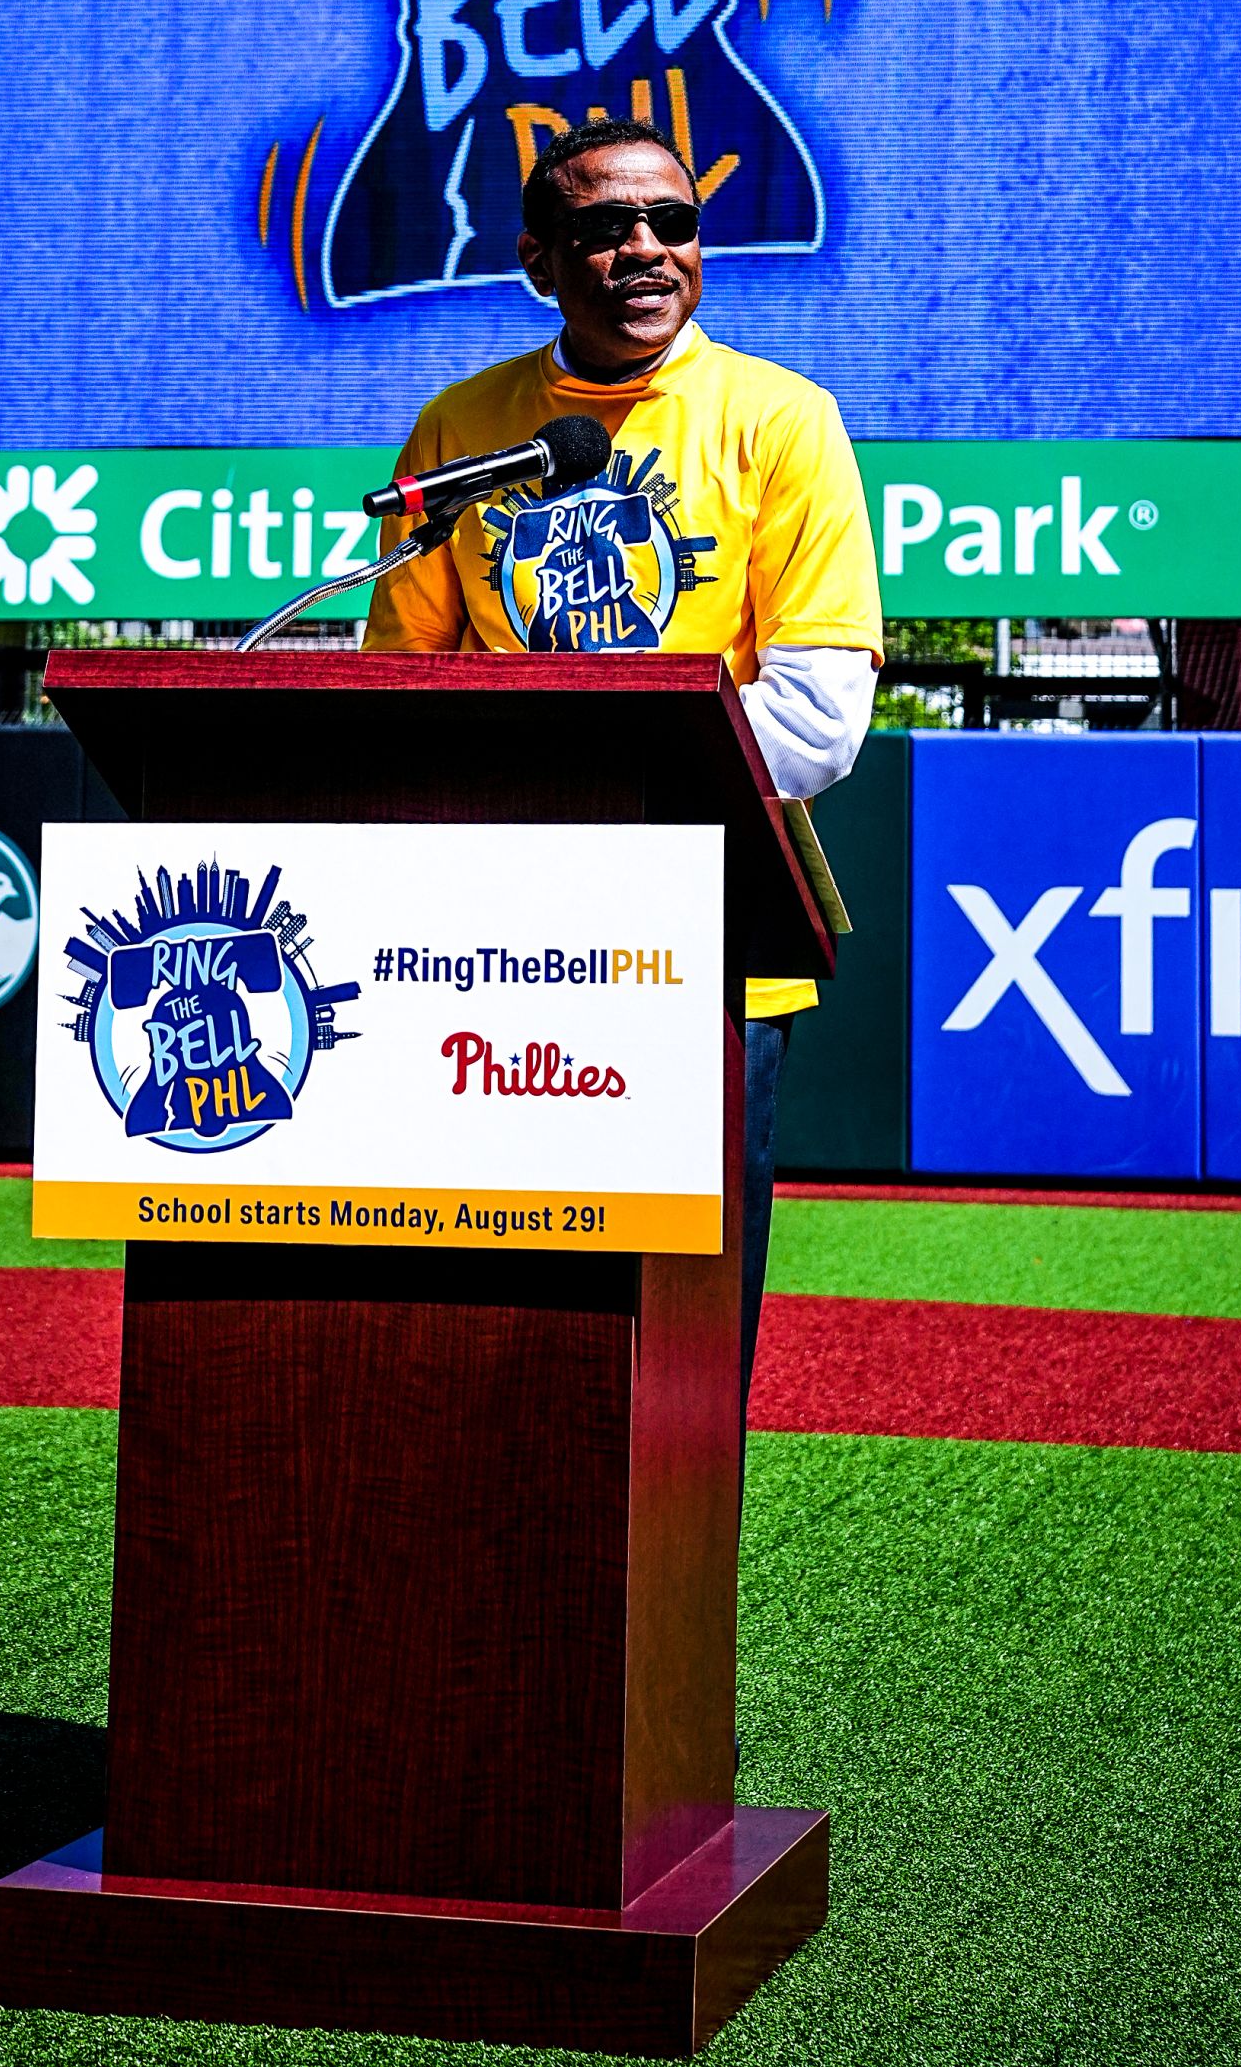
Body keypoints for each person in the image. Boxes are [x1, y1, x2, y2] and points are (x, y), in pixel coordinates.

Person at [364, 117, 883, 1431]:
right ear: (540, 258)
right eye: (602, 228)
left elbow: (818, 720)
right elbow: (398, 699)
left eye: (673, 221)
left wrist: (561, 772)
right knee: (484, 1353)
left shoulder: (784, 420)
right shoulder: (460, 429)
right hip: (480, 958)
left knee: (678, 1385)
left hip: (711, 953)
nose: (645, 249)